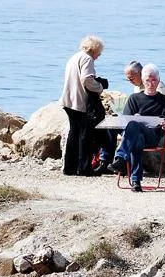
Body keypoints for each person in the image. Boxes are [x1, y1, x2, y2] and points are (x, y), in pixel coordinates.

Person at [109, 64, 165, 192]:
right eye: (148, 80)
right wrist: (135, 120)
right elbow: (124, 122)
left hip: (154, 136)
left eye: (154, 80)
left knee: (134, 128)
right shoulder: (134, 99)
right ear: (142, 80)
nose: (151, 83)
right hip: (137, 137)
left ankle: (121, 159)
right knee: (136, 134)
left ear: (158, 81)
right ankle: (136, 182)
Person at [61, 35, 106, 177]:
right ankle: (84, 168)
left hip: (68, 100)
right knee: (84, 136)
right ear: (94, 50)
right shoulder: (87, 59)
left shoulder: (74, 58)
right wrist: (99, 87)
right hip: (80, 101)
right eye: (99, 53)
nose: (98, 56)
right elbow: (86, 79)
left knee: (73, 134)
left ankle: (69, 167)